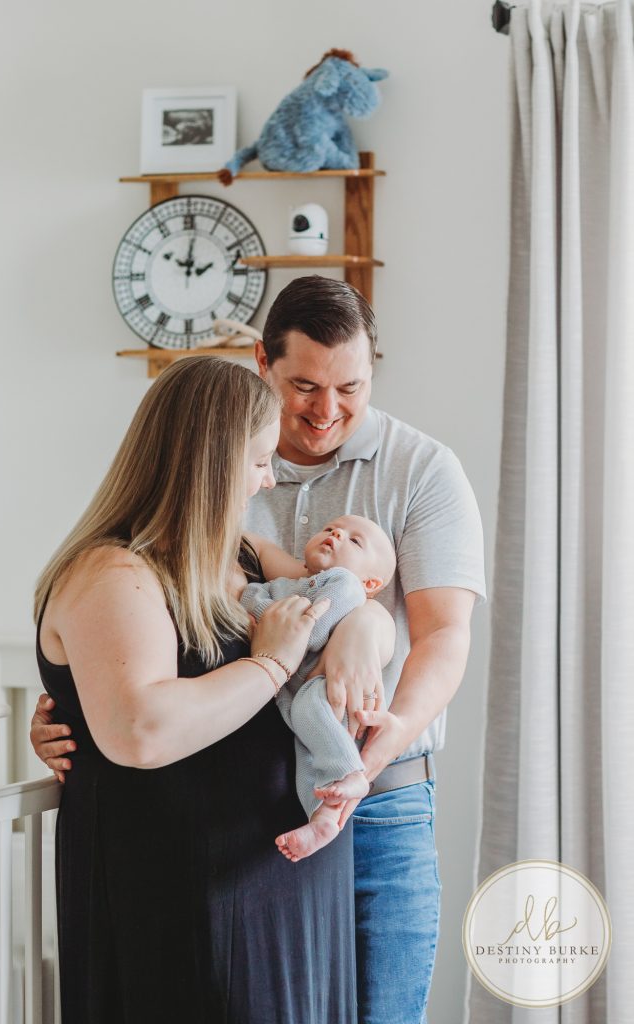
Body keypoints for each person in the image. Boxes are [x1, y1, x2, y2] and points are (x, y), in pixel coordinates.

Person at [32, 276, 486, 1024]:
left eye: (350, 387)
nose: (325, 410)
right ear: (264, 368)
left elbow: (424, 628)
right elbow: (145, 691)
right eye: (304, 387)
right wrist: (74, 706)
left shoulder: (418, 471)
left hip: (373, 799)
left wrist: (366, 642)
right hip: (223, 859)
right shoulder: (150, 558)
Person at [241, 514, 397, 862]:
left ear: (370, 583)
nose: (336, 533)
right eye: (329, 529)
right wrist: (263, 606)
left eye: (354, 541)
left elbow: (310, 633)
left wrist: (267, 617)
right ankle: (323, 819)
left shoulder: (345, 585)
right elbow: (249, 596)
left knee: (308, 711)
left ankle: (352, 773)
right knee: (308, 760)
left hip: (331, 690)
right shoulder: (290, 585)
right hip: (298, 692)